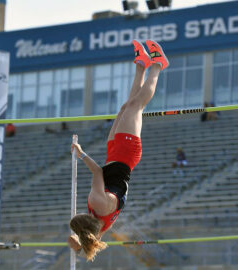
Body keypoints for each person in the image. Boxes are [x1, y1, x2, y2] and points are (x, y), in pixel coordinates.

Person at [67, 39, 169, 261]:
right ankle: (159, 64)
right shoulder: (96, 203)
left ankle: (141, 64)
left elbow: (91, 239)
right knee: (136, 106)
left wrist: (79, 246)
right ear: (85, 218)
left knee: (125, 107)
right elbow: (96, 172)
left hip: (116, 156)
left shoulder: (100, 225)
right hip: (124, 153)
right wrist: (80, 152)